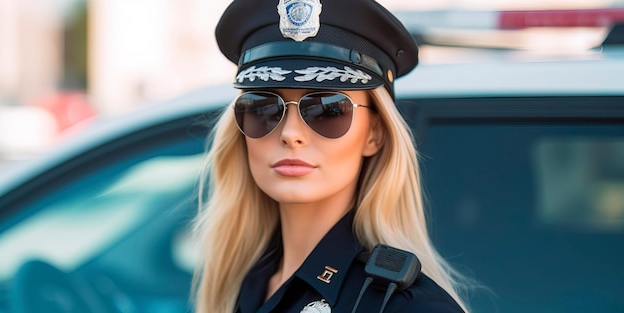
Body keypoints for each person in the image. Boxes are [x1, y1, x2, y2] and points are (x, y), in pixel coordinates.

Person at [192, 0, 471, 312]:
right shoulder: (241, 284)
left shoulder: (408, 308)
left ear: (374, 134)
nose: (290, 133)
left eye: (328, 110)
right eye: (263, 108)